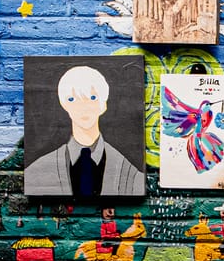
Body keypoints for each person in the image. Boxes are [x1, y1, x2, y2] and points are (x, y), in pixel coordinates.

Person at [23, 64, 145, 198]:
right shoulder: (37, 171)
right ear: (64, 105)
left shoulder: (130, 176)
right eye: (73, 99)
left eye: (92, 98)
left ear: (103, 105)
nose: (83, 107)